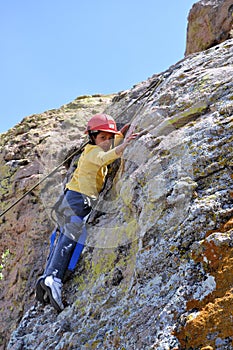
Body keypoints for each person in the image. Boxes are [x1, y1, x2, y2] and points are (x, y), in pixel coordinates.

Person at [35, 113, 136, 312]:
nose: (106, 142)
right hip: (77, 199)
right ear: (92, 138)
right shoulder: (92, 153)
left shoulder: (93, 148)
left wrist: (120, 135)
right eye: (102, 138)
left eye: (109, 138)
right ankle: (54, 277)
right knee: (70, 235)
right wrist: (124, 146)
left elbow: (108, 146)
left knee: (63, 236)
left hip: (70, 198)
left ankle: (48, 277)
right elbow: (106, 156)